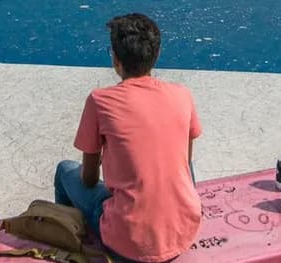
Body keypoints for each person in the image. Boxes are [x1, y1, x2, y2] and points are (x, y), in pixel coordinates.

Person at [54, 14, 202, 263]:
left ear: (115, 58)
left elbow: (89, 179)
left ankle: (70, 238)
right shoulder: (182, 95)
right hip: (183, 232)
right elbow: (185, 162)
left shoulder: (100, 101)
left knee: (64, 171)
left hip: (129, 242)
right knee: (181, 164)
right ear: (157, 54)